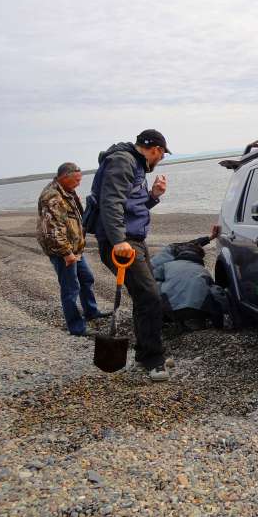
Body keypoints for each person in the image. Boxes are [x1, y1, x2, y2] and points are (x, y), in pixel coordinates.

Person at [88, 129, 171, 382]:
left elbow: (132, 206)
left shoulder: (135, 165)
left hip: (134, 241)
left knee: (145, 296)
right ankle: (152, 359)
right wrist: (119, 241)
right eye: (161, 155)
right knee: (150, 296)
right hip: (124, 244)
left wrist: (153, 196)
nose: (160, 161)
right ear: (155, 150)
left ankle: (146, 352)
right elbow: (111, 202)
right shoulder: (123, 161)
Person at [37, 162, 108, 335]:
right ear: (64, 177)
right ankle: (76, 327)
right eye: (76, 180)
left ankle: (91, 312)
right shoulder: (52, 196)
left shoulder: (67, 191)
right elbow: (52, 228)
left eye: (79, 180)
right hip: (63, 251)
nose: (78, 183)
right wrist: (66, 253)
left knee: (86, 278)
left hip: (75, 249)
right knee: (70, 288)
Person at [151, 225, 229, 330]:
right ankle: (192, 319)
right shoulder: (203, 271)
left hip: (169, 308)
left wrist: (209, 238)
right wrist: (220, 320)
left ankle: (160, 321)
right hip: (196, 309)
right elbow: (215, 293)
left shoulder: (170, 262)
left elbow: (190, 245)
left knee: (157, 287)